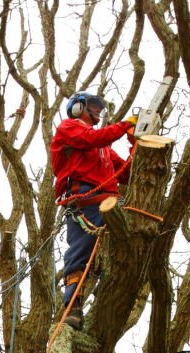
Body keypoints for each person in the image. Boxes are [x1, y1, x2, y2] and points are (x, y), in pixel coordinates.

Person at [51, 92, 137, 329]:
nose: (98, 111)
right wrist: (125, 124)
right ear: (78, 108)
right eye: (93, 106)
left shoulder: (105, 150)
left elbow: (128, 173)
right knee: (81, 251)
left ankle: (109, 289)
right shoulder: (70, 128)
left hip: (111, 204)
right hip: (85, 200)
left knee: (125, 244)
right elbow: (93, 138)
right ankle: (72, 306)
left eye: (100, 107)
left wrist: (135, 143)